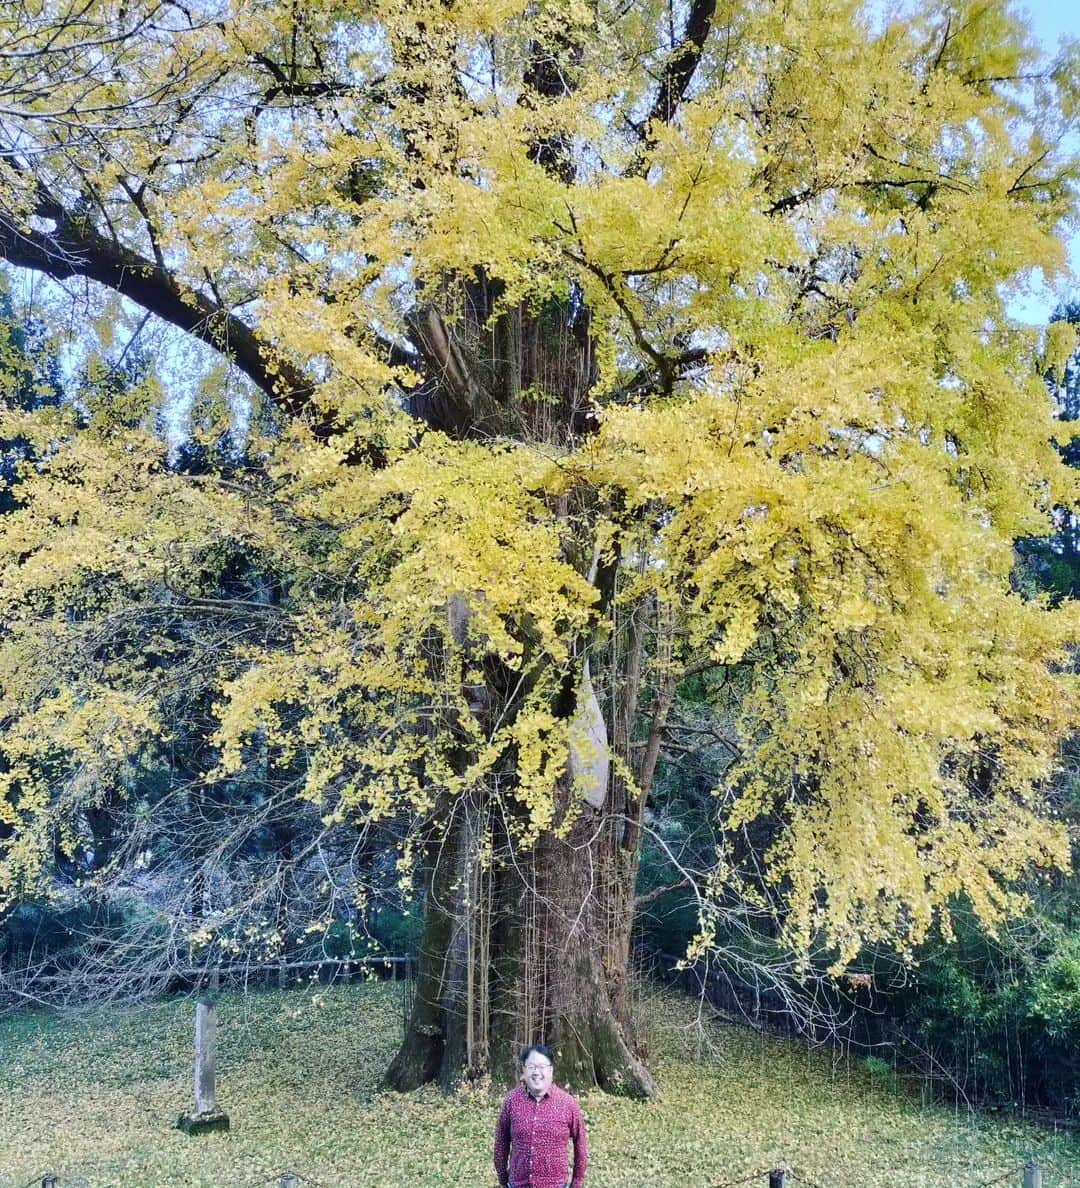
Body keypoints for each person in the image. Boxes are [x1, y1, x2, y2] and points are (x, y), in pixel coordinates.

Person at [493, 1043, 588, 1188]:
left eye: (542, 1067)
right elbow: (501, 1143)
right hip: (517, 1185)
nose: (537, 1072)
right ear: (524, 1070)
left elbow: (580, 1144)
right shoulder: (511, 1101)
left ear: (551, 1070)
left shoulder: (567, 1103)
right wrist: (503, 1179)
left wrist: (577, 1183)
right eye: (531, 1067)